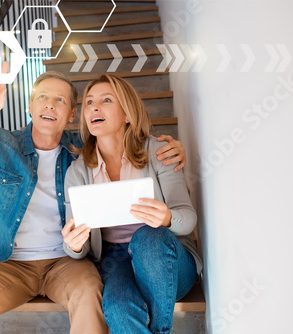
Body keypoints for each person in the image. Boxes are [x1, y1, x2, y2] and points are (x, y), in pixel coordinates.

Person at [0, 65, 187, 333]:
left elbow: (119, 135)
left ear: (71, 114)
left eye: (60, 100)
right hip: (8, 262)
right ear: (30, 107)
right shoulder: (4, 144)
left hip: (67, 262)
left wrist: (173, 147)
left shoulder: (81, 149)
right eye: (43, 97)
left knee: (90, 290)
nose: (50, 105)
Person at [61, 74, 203, 334]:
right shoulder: (77, 172)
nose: (94, 107)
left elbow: (188, 219)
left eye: (106, 100)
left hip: (167, 259)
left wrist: (167, 218)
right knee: (117, 306)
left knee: (147, 237)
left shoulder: (159, 152)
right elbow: (77, 250)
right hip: (115, 260)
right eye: (89, 102)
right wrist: (72, 245)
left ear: (127, 114)